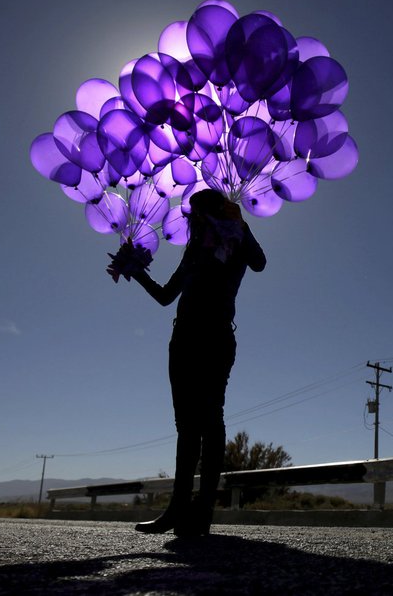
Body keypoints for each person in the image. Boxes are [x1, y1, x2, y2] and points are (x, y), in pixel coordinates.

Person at [110, 188, 266, 536]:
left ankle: (203, 511)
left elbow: (260, 263)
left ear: (214, 212)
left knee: (211, 421)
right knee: (186, 426)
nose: (190, 218)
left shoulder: (236, 243)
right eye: (189, 213)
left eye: (196, 212)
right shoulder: (193, 250)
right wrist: (135, 270)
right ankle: (177, 509)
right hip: (182, 341)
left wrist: (241, 222)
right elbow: (166, 296)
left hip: (217, 339)